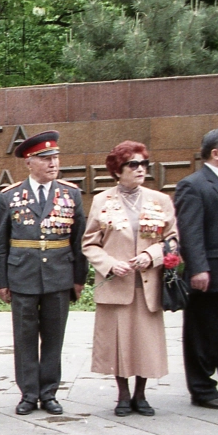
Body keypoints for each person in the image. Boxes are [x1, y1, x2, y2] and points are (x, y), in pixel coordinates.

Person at [0, 131, 87, 416]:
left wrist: (78, 278)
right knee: (24, 337)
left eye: (55, 157)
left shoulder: (70, 194)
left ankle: (49, 393)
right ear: (29, 163)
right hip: (22, 275)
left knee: (54, 337)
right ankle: (28, 393)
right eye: (45, 158)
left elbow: (79, 240)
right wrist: (1, 282)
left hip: (58, 275)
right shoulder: (10, 196)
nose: (52, 163)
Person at [82, 141, 177, 416]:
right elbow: (89, 243)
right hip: (117, 283)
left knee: (145, 342)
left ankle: (141, 394)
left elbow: (172, 239)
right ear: (117, 169)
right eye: (133, 164)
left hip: (147, 283)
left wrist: (152, 255)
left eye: (144, 164)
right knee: (118, 342)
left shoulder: (159, 199)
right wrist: (110, 265)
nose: (140, 169)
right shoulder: (102, 200)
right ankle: (123, 395)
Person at [174, 127, 218, 410]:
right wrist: (198, 268)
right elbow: (190, 231)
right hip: (211, 274)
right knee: (204, 334)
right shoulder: (194, 185)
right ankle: (202, 389)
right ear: (216, 153)